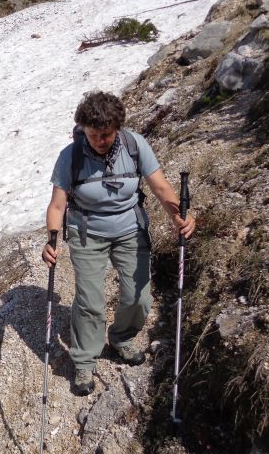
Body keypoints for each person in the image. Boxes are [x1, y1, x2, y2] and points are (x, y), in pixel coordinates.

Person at [41, 91, 195, 396]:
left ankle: (122, 337)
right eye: (93, 134)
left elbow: (160, 186)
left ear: (118, 128)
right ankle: (84, 360)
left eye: (106, 134)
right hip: (88, 233)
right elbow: (57, 205)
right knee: (90, 301)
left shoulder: (134, 145)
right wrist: (51, 240)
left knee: (138, 296)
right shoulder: (70, 157)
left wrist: (180, 216)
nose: (100, 140)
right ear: (83, 128)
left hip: (130, 229)